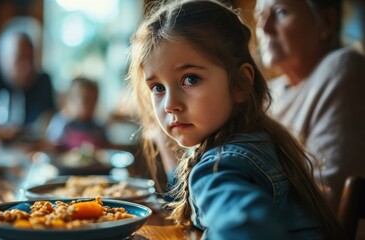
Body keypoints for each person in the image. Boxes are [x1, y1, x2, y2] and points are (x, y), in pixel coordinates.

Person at [127, 0, 341, 239]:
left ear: (239, 84)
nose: (169, 105)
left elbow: (244, 229)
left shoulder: (224, 164)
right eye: (157, 87)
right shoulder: (258, 142)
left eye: (190, 79)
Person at [254, 0, 365, 212]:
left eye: (280, 12)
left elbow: (327, 195)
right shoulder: (269, 93)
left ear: (326, 22)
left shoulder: (342, 69)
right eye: (260, 15)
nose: (264, 27)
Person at [45, 76, 108, 150]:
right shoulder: (61, 123)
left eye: (94, 101)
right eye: (86, 101)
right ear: (70, 100)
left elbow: (105, 147)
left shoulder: (98, 127)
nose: (91, 106)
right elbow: (51, 145)